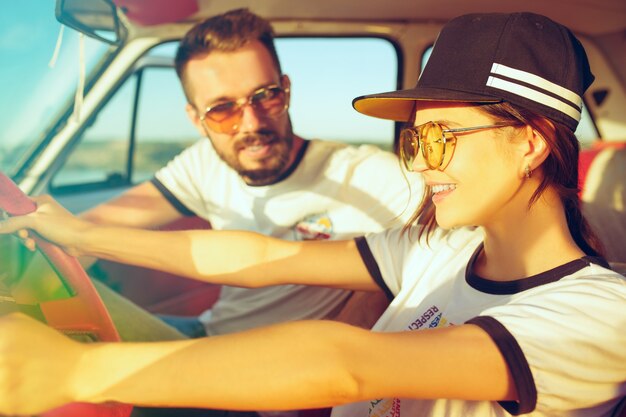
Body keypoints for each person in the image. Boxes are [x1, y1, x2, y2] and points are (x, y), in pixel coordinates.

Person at [1, 11, 625, 417]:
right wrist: (77, 232)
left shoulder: (603, 313)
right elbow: (260, 256)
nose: (422, 163)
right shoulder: (443, 248)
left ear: (532, 142)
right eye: (416, 140)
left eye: (441, 138)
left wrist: (77, 368)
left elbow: (348, 367)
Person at [80, 8, 422, 339]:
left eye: (266, 96)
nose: (252, 123)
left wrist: (370, 299)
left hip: (276, 368)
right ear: (197, 120)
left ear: (286, 90)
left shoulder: (364, 175)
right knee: (69, 325)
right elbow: (99, 224)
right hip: (210, 333)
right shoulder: (203, 164)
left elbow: (453, 237)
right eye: (222, 109)